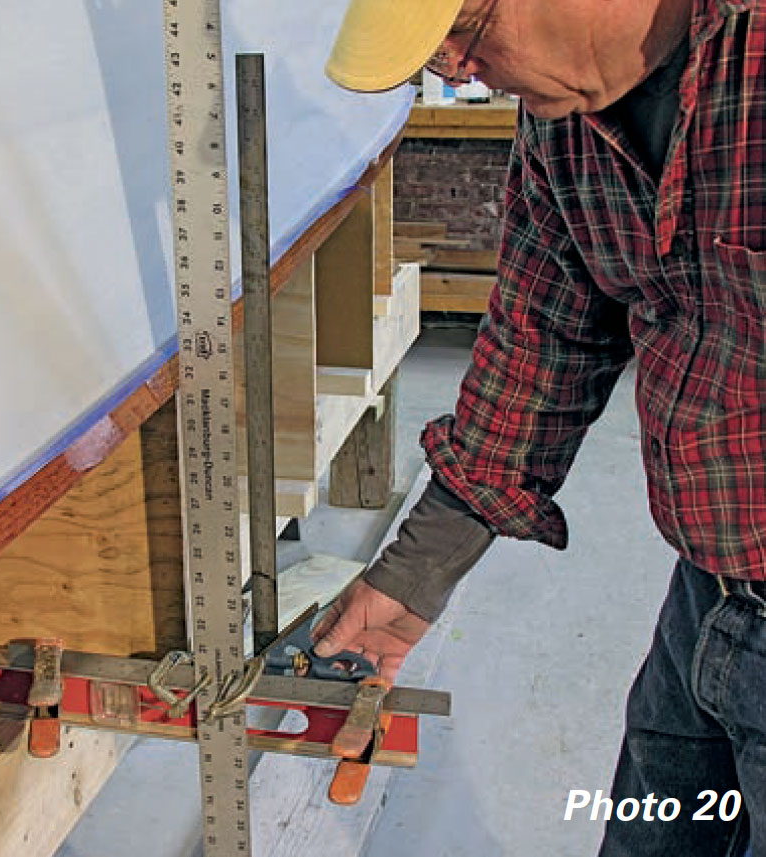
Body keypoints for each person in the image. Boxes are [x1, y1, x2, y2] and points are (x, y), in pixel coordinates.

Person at [311, 0, 766, 853]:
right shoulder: (563, 127)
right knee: (652, 831)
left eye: (461, 34)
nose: (449, 68)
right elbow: (543, 337)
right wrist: (417, 574)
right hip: (709, 591)